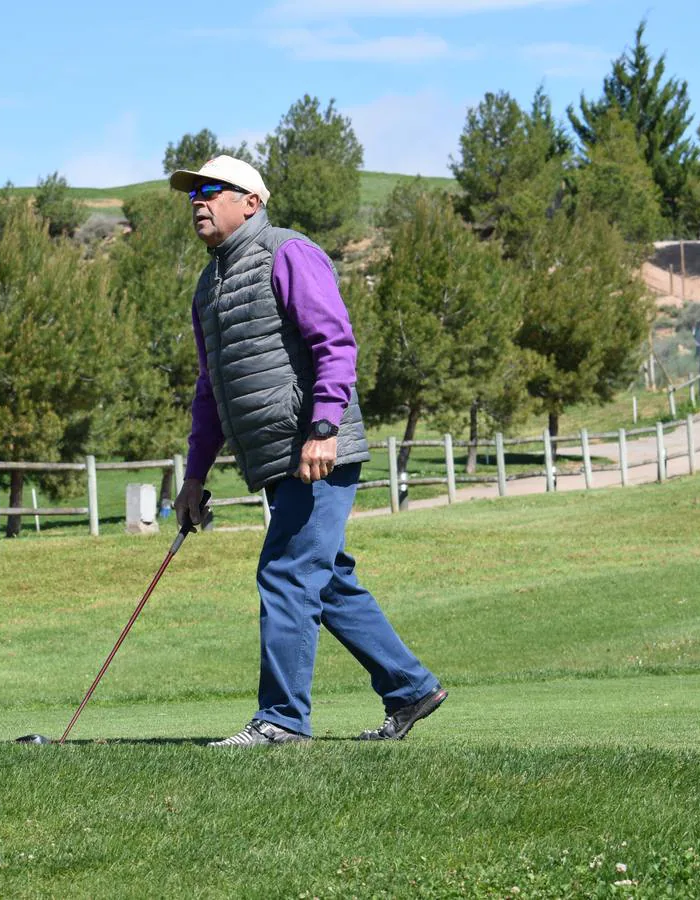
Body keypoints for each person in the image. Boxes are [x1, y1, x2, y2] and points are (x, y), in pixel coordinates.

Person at [169, 156, 446, 746]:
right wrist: (194, 477)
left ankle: (281, 721)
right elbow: (209, 389)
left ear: (251, 201)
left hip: (317, 448)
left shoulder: (288, 251)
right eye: (193, 192)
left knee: (287, 573)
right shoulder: (208, 285)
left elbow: (335, 342)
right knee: (327, 578)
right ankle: (411, 687)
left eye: (212, 189)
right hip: (278, 456)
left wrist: (322, 426)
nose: (198, 200)